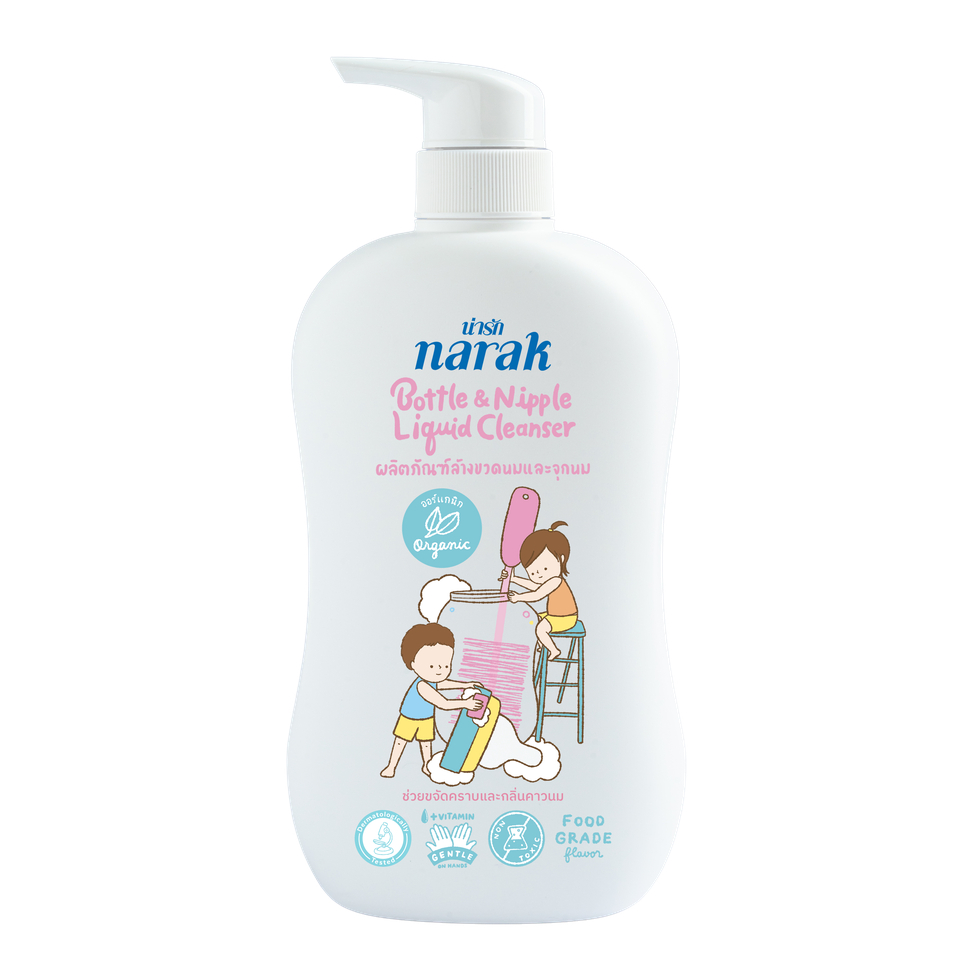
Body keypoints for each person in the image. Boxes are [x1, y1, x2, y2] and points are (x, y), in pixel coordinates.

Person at [380, 622, 482, 778]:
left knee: (426, 743)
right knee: (401, 741)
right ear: (413, 664)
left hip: (427, 718)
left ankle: (427, 765)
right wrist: (466, 704)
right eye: (432, 666)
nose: (440, 670)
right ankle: (391, 766)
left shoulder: (431, 681)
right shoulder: (422, 685)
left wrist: (465, 685)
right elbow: (443, 703)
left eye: (446, 665)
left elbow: (442, 684)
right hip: (409, 718)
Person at [501, 521, 578, 661]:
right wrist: (514, 579)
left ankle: (554, 650)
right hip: (557, 616)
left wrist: (518, 597)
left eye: (545, 568)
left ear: (561, 560)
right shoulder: (551, 581)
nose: (539, 575)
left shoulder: (555, 581)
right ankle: (543, 642)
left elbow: (537, 594)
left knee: (540, 629)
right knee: (537, 616)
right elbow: (535, 586)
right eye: (533, 572)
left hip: (565, 618)